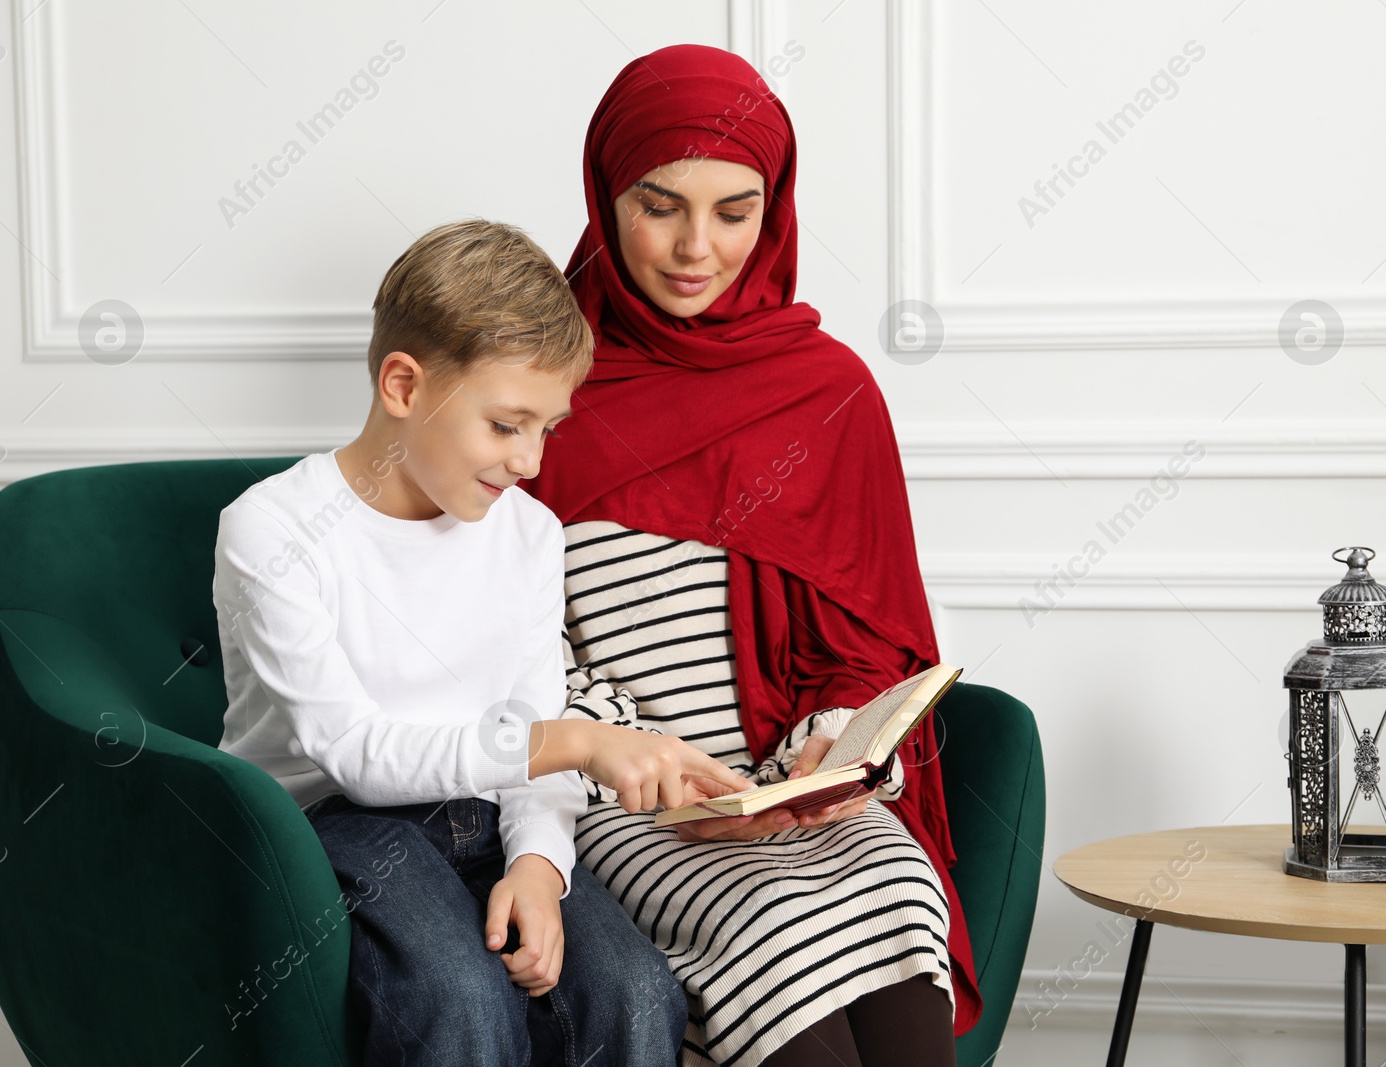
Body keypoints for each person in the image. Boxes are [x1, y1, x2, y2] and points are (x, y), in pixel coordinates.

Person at [525, 45, 982, 1067]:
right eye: (660, 206)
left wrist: (826, 749)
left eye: (735, 212)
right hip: (619, 796)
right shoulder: (535, 390)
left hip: (785, 781)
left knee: (901, 889)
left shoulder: (826, 391)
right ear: (605, 195)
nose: (697, 247)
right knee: (772, 925)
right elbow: (501, 642)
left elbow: (870, 643)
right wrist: (633, 759)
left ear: (773, 210)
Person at [212, 219, 751, 1066]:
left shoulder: (529, 535)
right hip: (327, 826)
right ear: (402, 385)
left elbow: (527, 731)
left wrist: (539, 862)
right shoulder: (272, 530)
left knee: (637, 988)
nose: (531, 461)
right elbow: (355, 754)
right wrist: (573, 739)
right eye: (506, 425)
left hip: (487, 812)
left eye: (548, 427)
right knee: (460, 997)